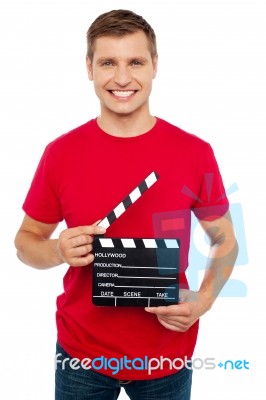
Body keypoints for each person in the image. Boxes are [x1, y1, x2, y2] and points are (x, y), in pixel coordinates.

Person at [14, 9, 238, 400]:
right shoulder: (61, 154)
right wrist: (56, 249)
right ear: (89, 68)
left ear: (155, 65)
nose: (121, 78)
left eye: (135, 61)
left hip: (167, 355)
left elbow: (226, 241)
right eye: (107, 62)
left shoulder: (194, 153)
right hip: (80, 356)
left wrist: (202, 301)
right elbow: (25, 242)